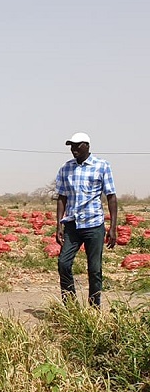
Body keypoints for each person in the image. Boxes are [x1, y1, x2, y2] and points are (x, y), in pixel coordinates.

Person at [55, 132, 118, 308]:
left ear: (87, 146)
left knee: (94, 269)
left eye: (77, 145)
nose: (73, 149)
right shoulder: (65, 168)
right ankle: (71, 306)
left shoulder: (102, 166)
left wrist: (112, 227)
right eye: (71, 146)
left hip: (94, 224)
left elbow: (111, 197)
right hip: (72, 225)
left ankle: (94, 307)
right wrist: (59, 224)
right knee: (63, 263)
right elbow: (62, 198)